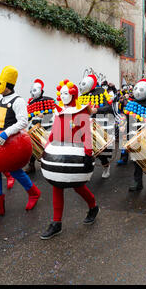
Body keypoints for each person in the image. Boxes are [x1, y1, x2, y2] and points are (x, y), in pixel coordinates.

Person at [0, 66, 41, 219]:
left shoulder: (18, 101)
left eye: (0, 83)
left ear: (8, 85)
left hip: (10, 143)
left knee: (14, 171)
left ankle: (34, 193)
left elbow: (23, 122)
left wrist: (6, 133)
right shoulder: (2, 100)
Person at [40, 79, 99, 239]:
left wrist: (88, 153)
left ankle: (93, 206)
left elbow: (86, 133)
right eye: (61, 93)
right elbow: (53, 132)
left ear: (73, 94)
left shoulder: (81, 112)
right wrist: (45, 148)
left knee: (78, 186)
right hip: (58, 156)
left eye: (66, 93)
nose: (63, 96)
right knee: (56, 187)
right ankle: (56, 223)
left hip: (76, 155)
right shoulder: (59, 111)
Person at [79, 75, 115, 178]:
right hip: (85, 125)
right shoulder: (81, 97)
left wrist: (97, 110)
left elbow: (109, 107)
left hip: (99, 125)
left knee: (100, 151)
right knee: (85, 150)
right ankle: (87, 170)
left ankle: (106, 165)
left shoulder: (101, 93)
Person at [24, 79, 56, 174]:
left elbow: (54, 113)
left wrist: (45, 116)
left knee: (48, 147)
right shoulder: (31, 102)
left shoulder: (48, 100)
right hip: (34, 127)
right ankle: (31, 165)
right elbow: (29, 116)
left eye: (35, 90)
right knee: (32, 146)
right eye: (31, 91)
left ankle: (50, 165)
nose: (32, 93)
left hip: (47, 127)